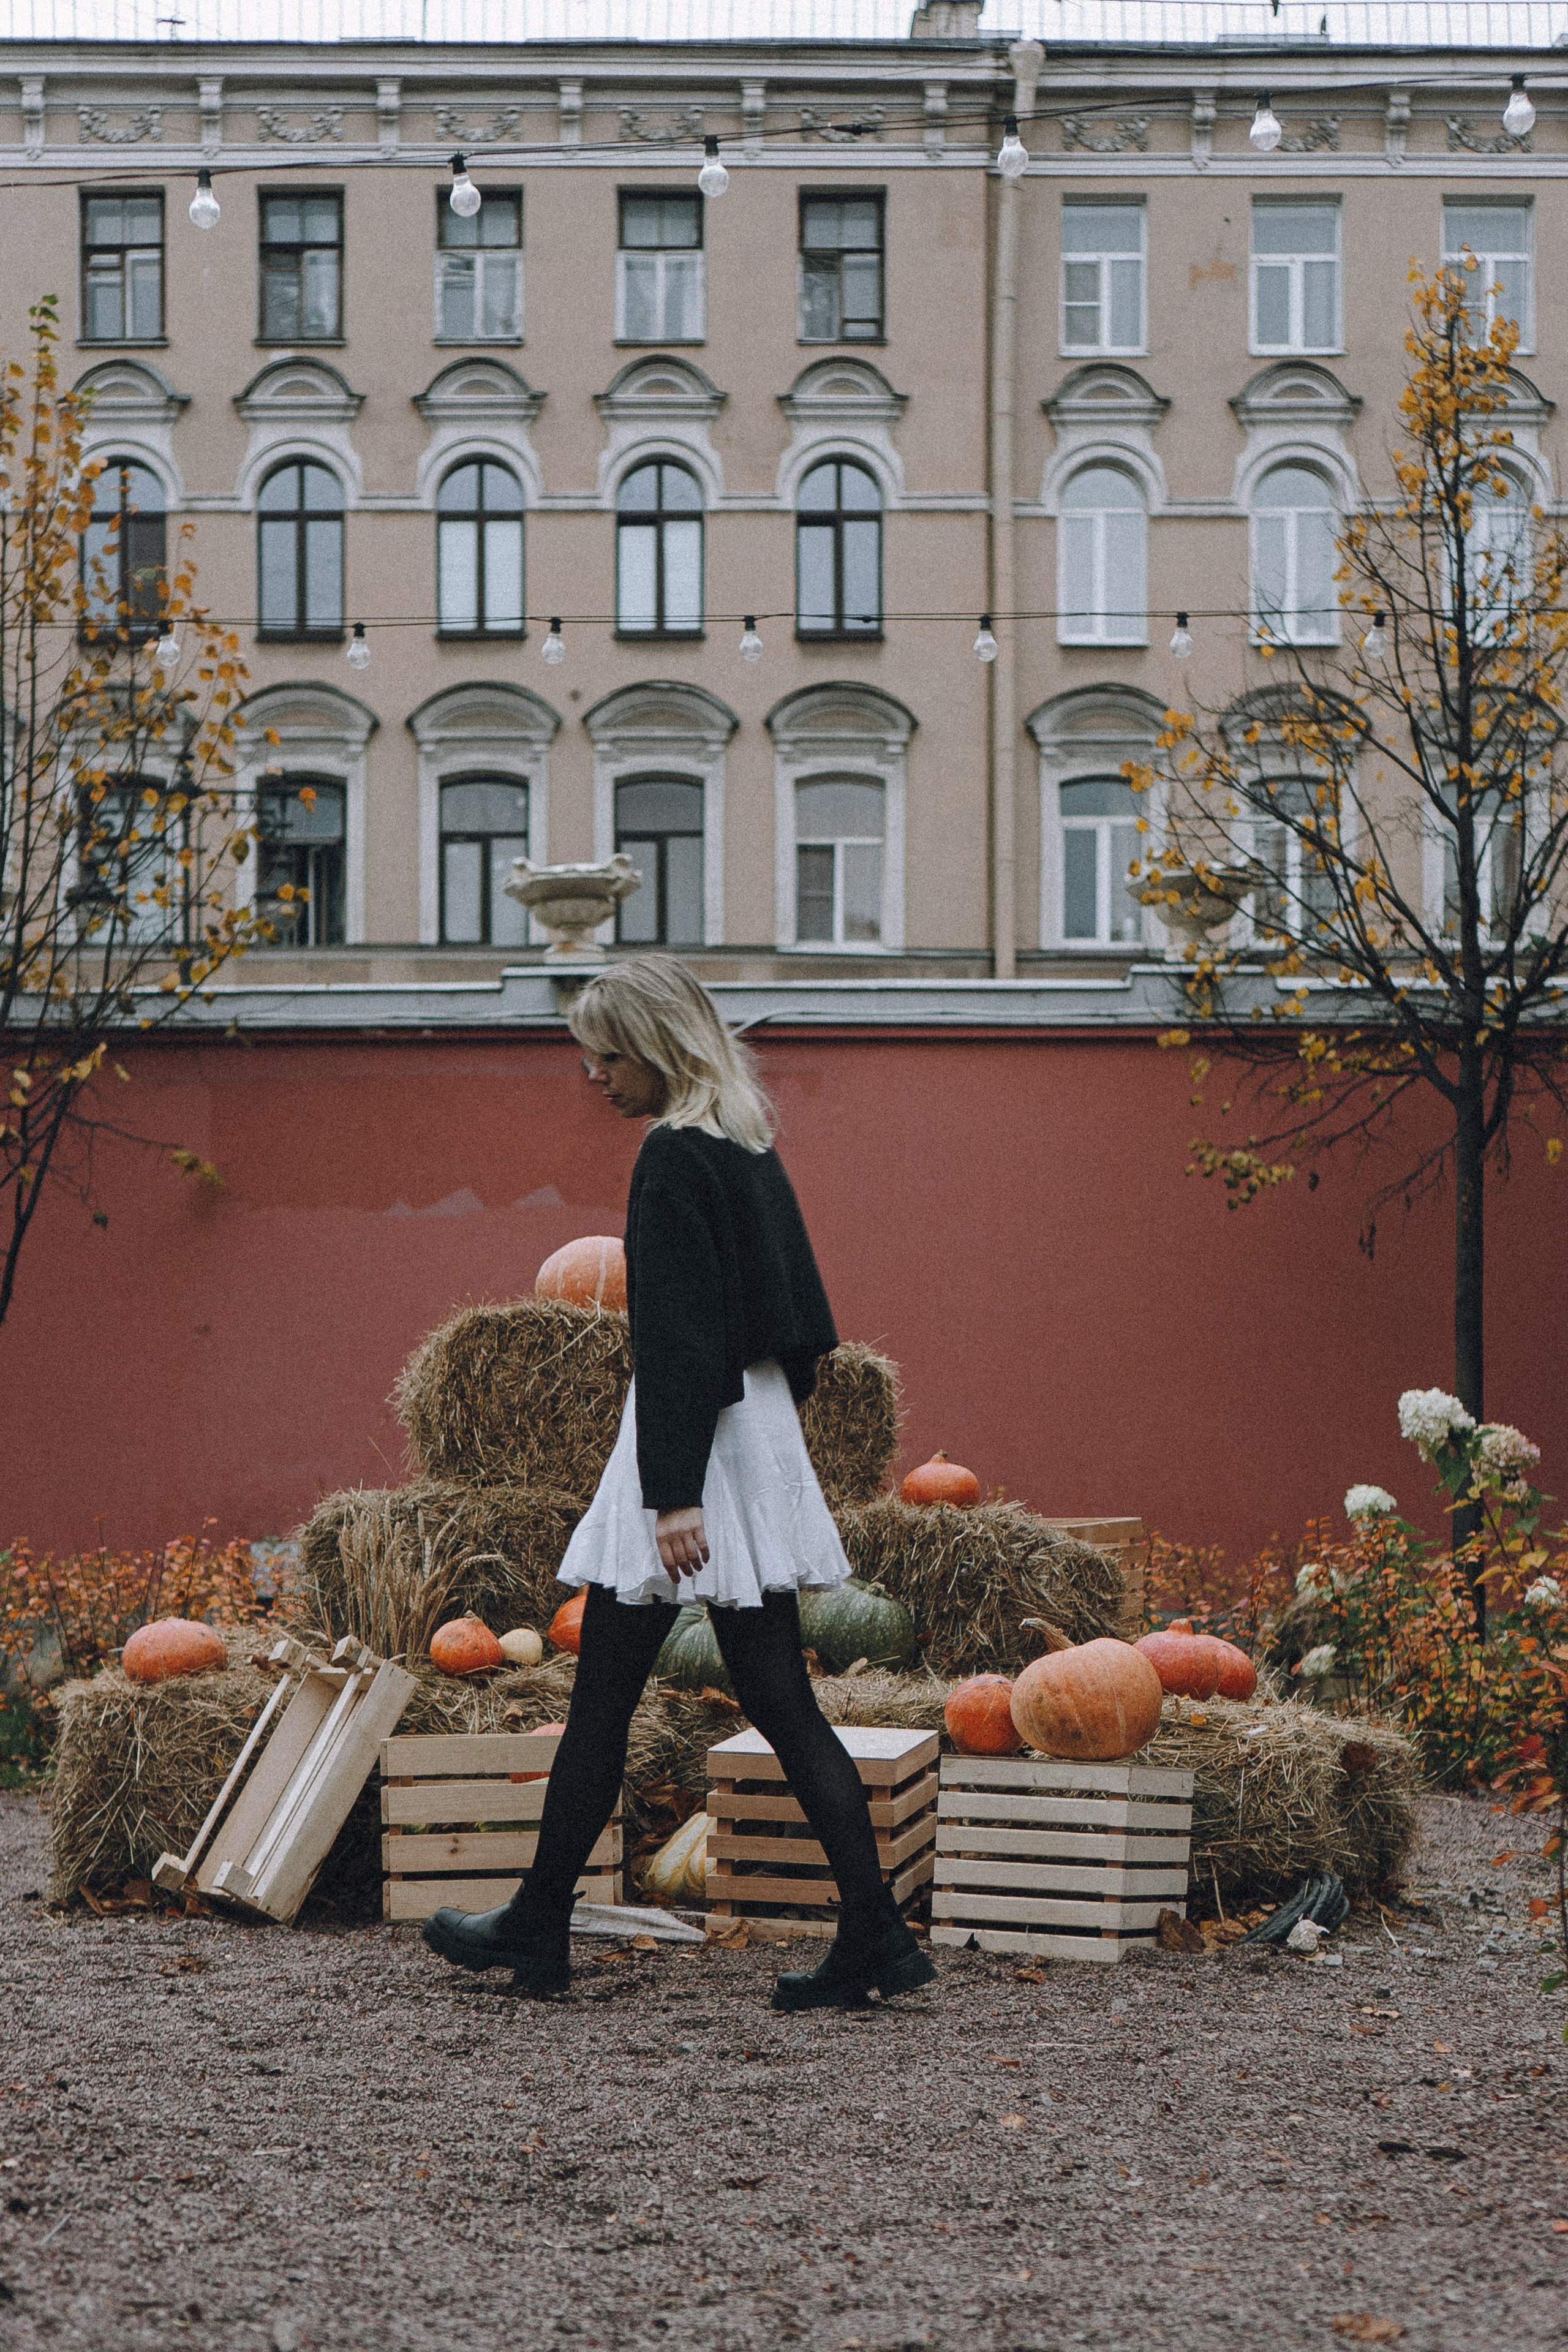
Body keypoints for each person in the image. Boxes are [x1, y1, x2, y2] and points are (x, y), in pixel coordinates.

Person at [421, 954, 935, 2013]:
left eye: (603, 1058)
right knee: (779, 1700)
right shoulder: (744, 1144)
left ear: (652, 1050)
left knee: (608, 1699)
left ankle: (538, 1929)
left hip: (690, 1446)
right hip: (749, 1432)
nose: (594, 1078)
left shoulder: (669, 1156)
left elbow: (676, 1335)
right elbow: (805, 1323)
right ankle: (874, 1937)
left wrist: (673, 1493)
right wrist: (757, 1438)